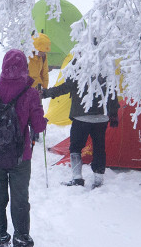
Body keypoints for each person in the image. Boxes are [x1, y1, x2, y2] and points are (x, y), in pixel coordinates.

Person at [0, 49, 46, 247]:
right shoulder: (31, 93)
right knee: (19, 198)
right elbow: (38, 127)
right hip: (20, 156)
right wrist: (41, 116)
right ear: (24, 67)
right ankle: (22, 238)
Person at [41, 53, 120, 189]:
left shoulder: (79, 61)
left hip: (81, 116)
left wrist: (46, 93)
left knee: (76, 147)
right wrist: (113, 114)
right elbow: (111, 92)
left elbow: (66, 87)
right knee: (99, 147)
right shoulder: (106, 64)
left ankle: (77, 178)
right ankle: (98, 180)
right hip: (101, 117)